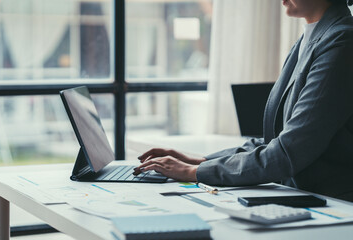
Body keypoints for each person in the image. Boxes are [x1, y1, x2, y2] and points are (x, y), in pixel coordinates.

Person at [134, 0, 353, 202]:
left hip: (334, 206)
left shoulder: (343, 42)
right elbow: (272, 140)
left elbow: (288, 151)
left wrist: (193, 172)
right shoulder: (308, 40)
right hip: (304, 197)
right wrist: (199, 161)